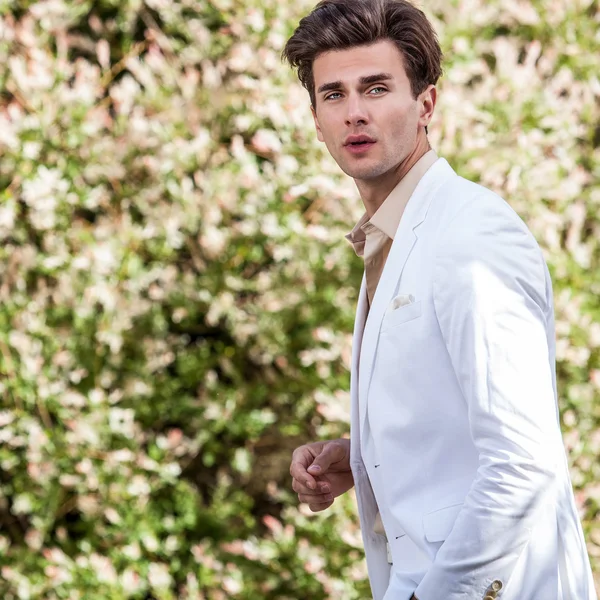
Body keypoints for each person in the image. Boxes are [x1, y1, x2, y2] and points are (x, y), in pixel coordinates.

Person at [282, 1, 597, 599]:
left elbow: (524, 463)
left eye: (376, 88)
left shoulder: (471, 237)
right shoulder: (393, 235)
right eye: (334, 94)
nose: (355, 113)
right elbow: (454, 419)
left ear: (425, 104)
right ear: (316, 119)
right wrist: (364, 456)